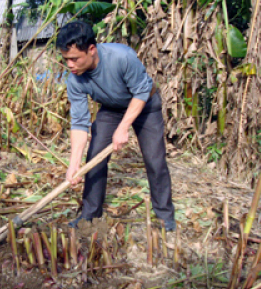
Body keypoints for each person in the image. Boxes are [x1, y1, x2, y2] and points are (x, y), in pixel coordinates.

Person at [56, 20, 176, 231]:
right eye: (66, 59)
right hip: (112, 109)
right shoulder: (74, 79)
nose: (70, 65)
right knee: (94, 158)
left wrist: (123, 128)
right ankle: (90, 216)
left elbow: (140, 92)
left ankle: (165, 217)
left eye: (74, 59)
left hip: (144, 104)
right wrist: (74, 164)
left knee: (155, 160)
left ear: (91, 50)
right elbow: (79, 122)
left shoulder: (121, 57)